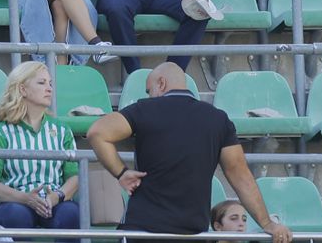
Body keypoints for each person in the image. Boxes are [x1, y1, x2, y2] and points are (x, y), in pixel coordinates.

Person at [86, 62, 292, 243]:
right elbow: (240, 175)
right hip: (192, 232)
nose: (149, 96)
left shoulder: (145, 109)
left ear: (161, 84)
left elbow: (97, 132)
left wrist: (121, 173)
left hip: (145, 228)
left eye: (149, 90)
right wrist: (266, 223)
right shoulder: (217, 119)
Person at [0, 61, 82, 230]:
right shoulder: (1, 131)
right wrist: (25, 198)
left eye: (50, 83)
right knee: (16, 215)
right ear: (22, 90)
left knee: (70, 214)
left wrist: (57, 197)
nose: (49, 88)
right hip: (14, 202)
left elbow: (75, 176)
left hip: (53, 202)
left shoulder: (62, 130)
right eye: (41, 83)